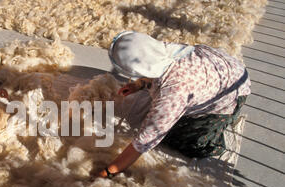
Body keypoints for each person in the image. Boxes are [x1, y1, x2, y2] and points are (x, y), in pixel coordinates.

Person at [99, 31, 250, 178]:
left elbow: (145, 140)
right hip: (226, 68)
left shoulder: (174, 93)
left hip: (232, 93)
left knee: (181, 140)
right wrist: (139, 84)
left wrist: (108, 172)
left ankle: (214, 132)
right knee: (163, 105)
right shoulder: (166, 49)